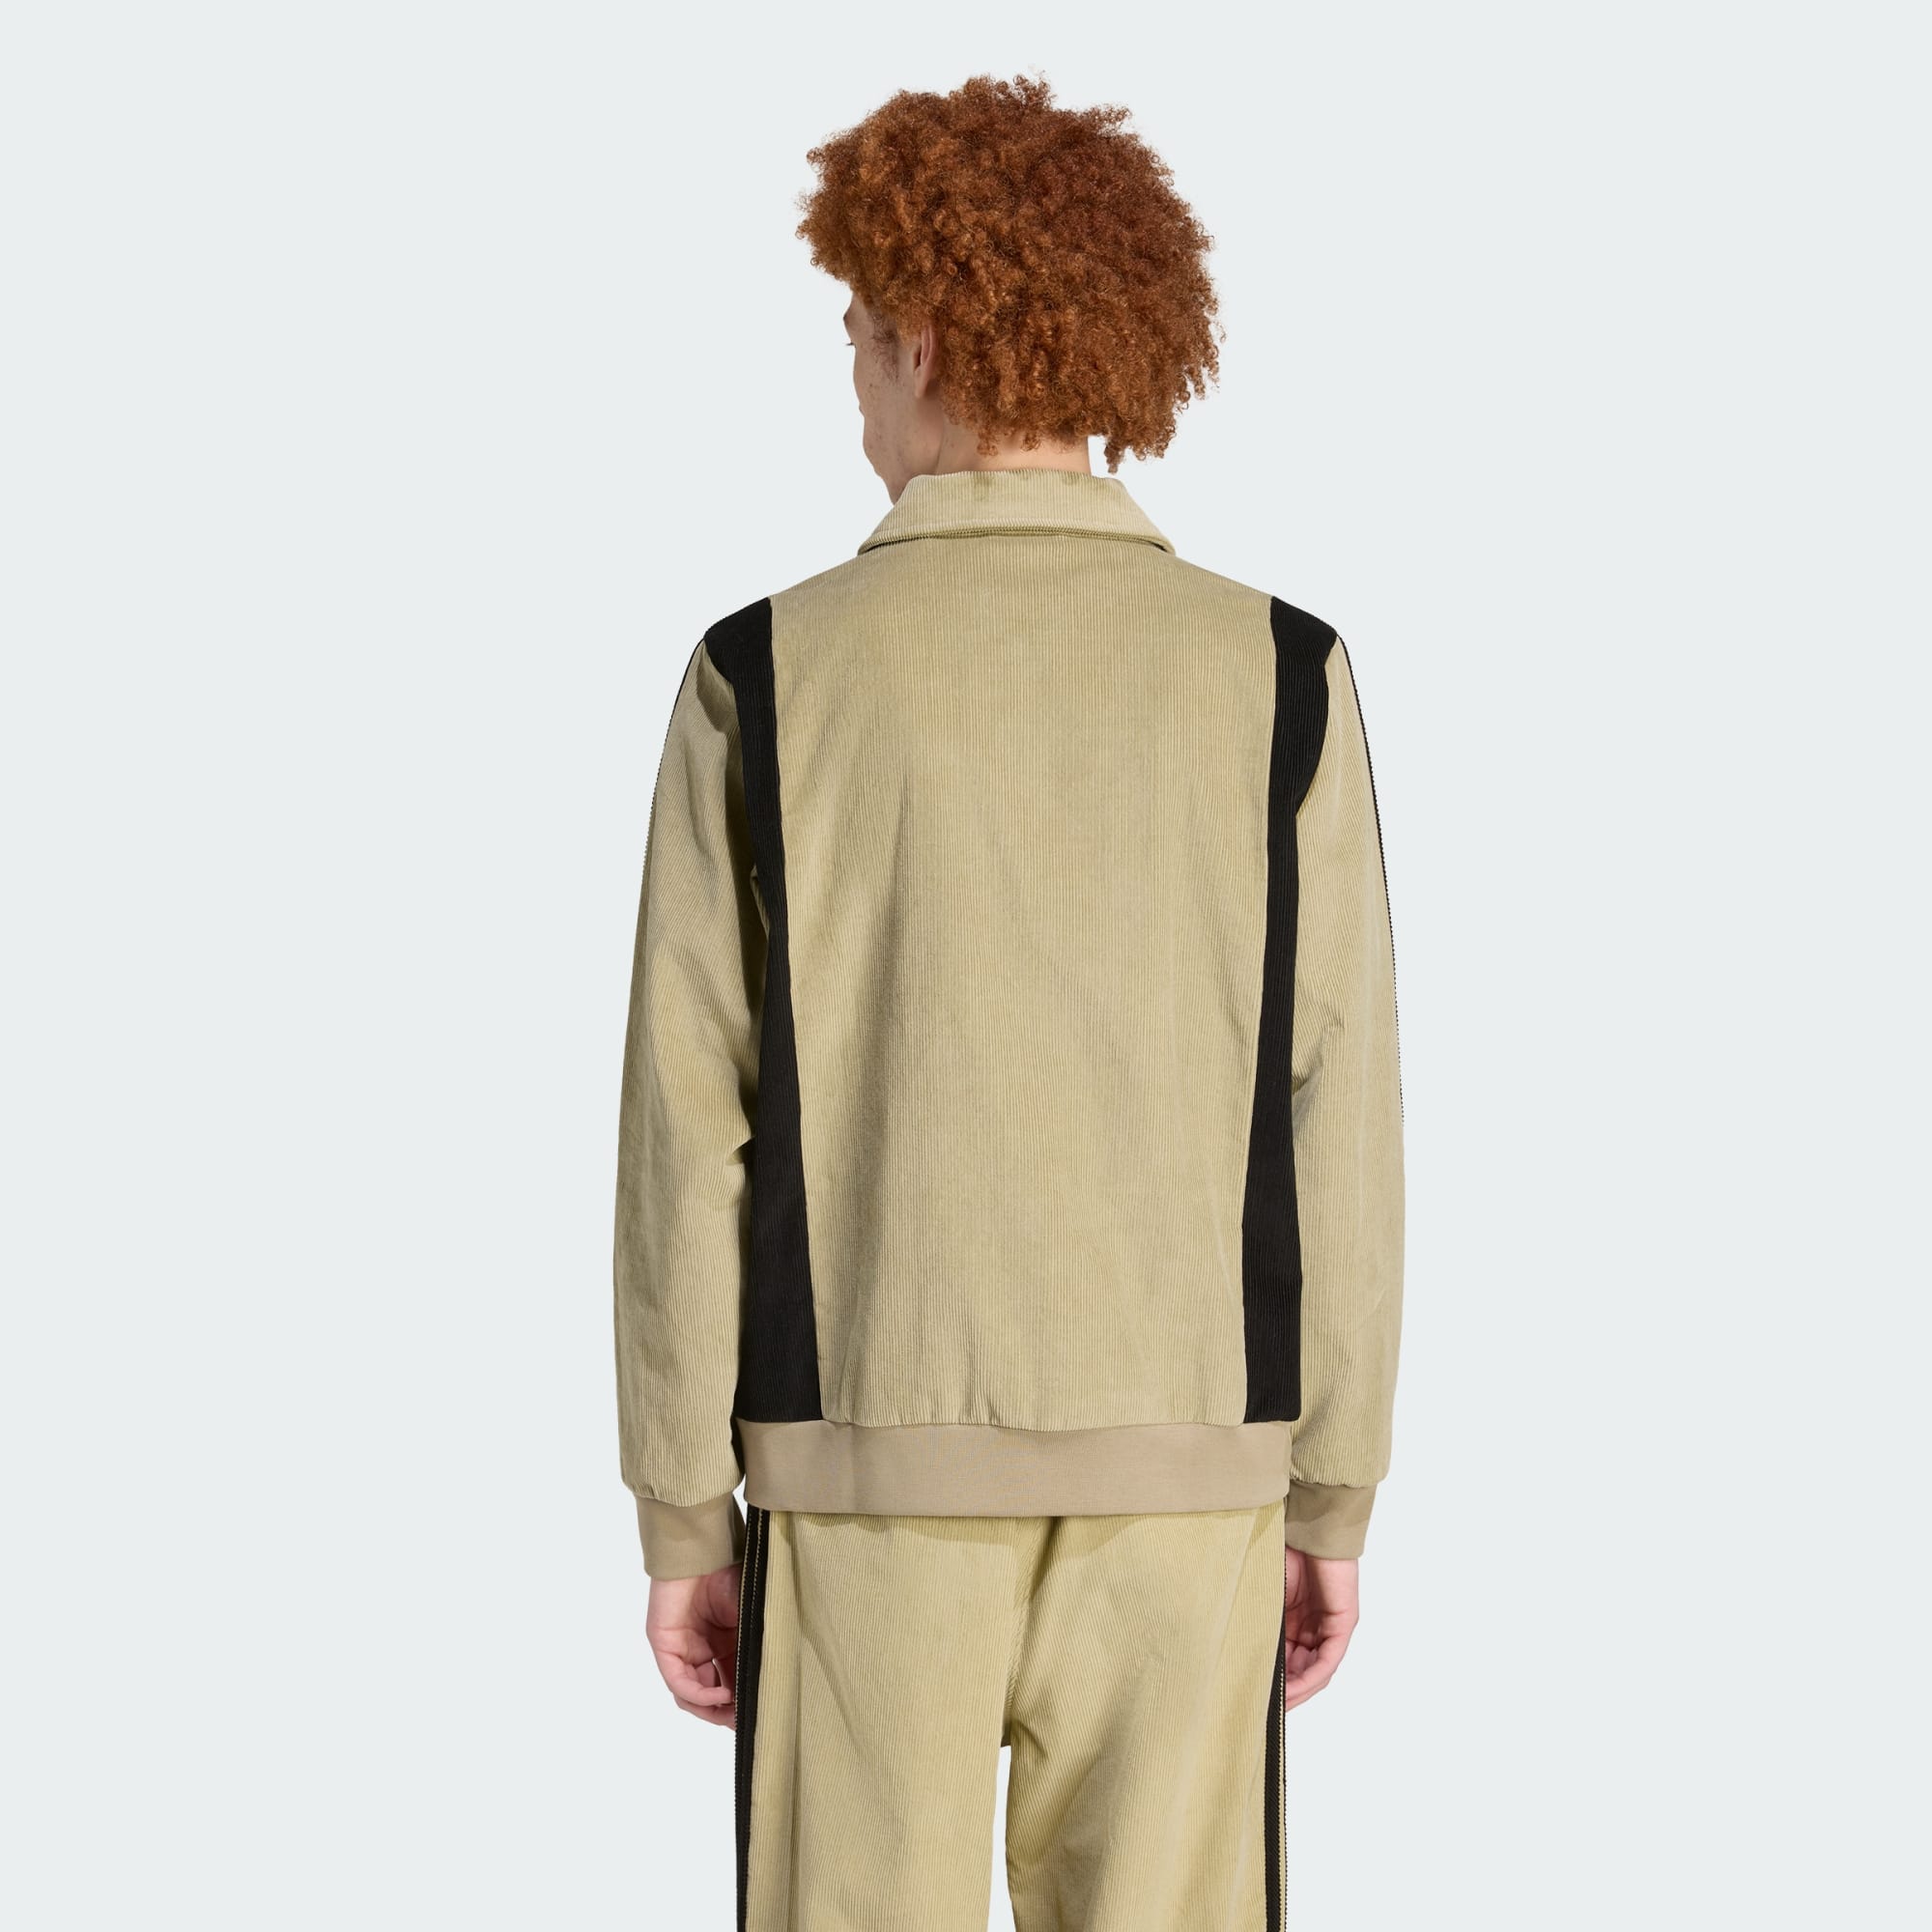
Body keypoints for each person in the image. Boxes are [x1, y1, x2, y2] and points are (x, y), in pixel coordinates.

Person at [613, 72, 1404, 1930]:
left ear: (921, 333)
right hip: (1195, 1474)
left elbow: (684, 1126)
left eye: (853, 338)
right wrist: (1333, 1495)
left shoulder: (766, 674)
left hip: (858, 1478)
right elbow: (1342, 1111)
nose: (852, 387)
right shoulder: (1283, 675)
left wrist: (680, 1514)